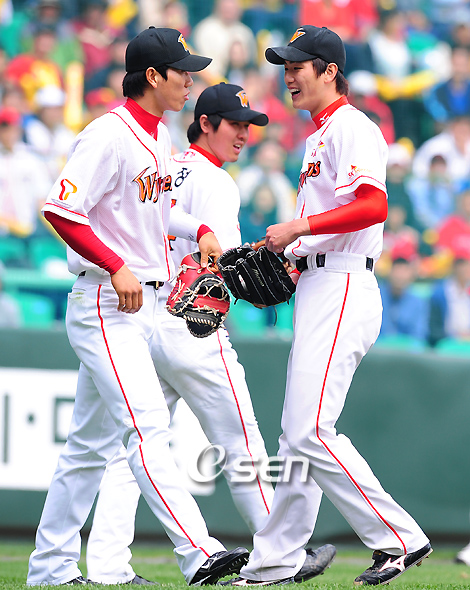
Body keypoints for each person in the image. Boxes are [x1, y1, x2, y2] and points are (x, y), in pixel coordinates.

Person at [26, 27, 250, 586]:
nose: (190, 81)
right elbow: (60, 209)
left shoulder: (159, 136)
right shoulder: (109, 134)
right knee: (148, 427)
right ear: (152, 76)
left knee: (86, 448)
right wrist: (114, 264)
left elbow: (158, 210)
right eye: (182, 72)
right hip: (107, 301)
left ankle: (50, 568)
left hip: (143, 302)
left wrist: (197, 227)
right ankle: (198, 551)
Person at [222, 25, 432, 587]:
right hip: (319, 281)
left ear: (329, 71)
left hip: (343, 282)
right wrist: (292, 257)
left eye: (298, 66)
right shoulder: (318, 136)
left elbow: (373, 205)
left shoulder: (352, 127)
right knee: (297, 437)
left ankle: (399, 537)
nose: (288, 76)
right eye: (285, 67)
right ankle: (274, 562)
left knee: (311, 430)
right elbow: (331, 225)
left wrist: (298, 228)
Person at [85, 81, 277, 585]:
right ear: (205, 124)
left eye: (249, 126)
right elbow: (224, 266)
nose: (244, 134)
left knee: (134, 450)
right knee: (241, 441)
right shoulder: (217, 181)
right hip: (193, 324)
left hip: (147, 318)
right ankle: (281, 552)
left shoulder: (166, 165)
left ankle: (107, 564)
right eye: (235, 124)